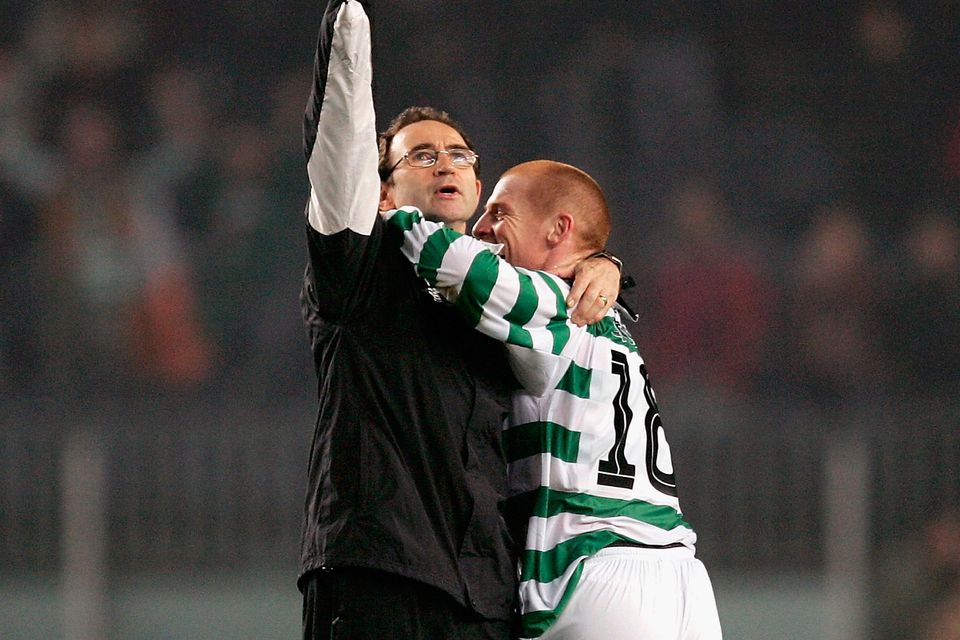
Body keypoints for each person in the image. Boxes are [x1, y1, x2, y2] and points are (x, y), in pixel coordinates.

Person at [297, 2, 621, 639]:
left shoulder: (496, 292)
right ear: (383, 191)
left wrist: (604, 263)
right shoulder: (361, 266)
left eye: (459, 154)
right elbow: (338, 149)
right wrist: (347, 28)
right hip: (379, 574)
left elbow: (556, 266)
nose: (446, 163)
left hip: (485, 594)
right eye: (421, 157)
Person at [382, 160, 723, 640]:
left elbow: (458, 267)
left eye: (500, 212)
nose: (482, 225)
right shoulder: (609, 316)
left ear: (558, 229)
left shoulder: (556, 304)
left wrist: (395, 212)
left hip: (596, 566)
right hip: (679, 577)